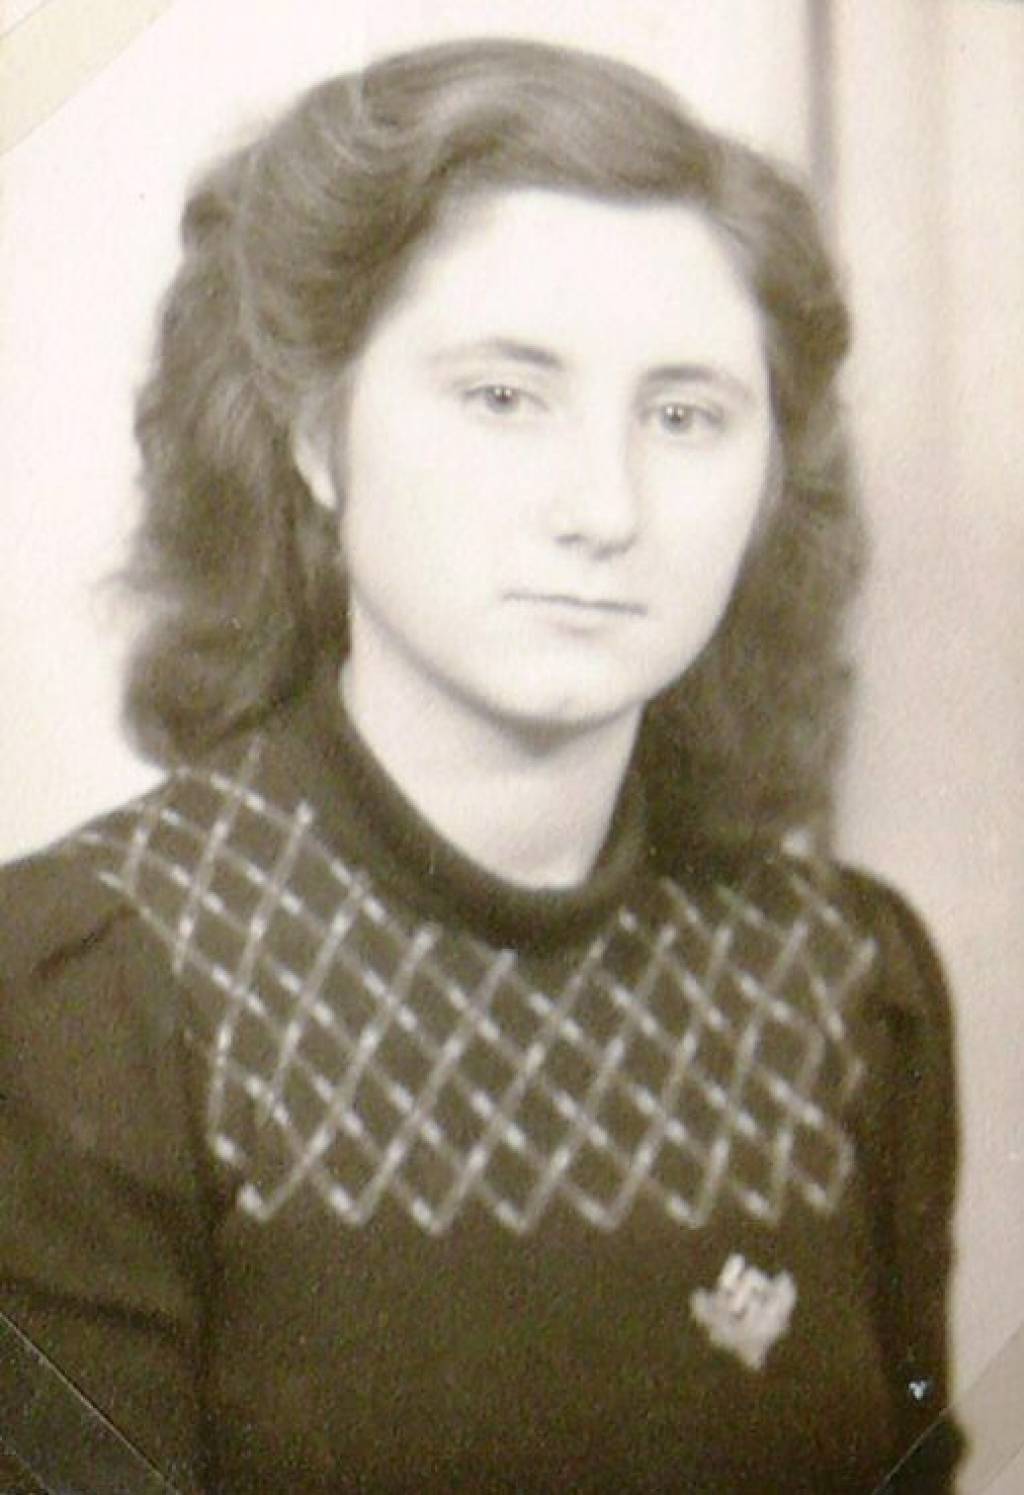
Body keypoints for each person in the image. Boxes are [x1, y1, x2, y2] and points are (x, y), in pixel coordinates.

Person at [0, 37, 963, 1494]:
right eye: (505, 396)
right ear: (316, 432)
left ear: (771, 478)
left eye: (685, 416)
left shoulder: (848, 987)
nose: (604, 508)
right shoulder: (88, 997)